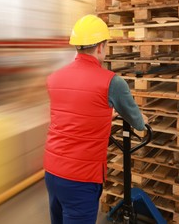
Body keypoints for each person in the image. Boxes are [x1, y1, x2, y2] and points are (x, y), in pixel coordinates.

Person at [43, 14, 147, 224]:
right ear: (101, 47)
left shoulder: (54, 78)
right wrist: (142, 118)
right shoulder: (112, 82)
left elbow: (72, 114)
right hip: (81, 178)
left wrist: (104, 113)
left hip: (52, 171)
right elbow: (138, 123)